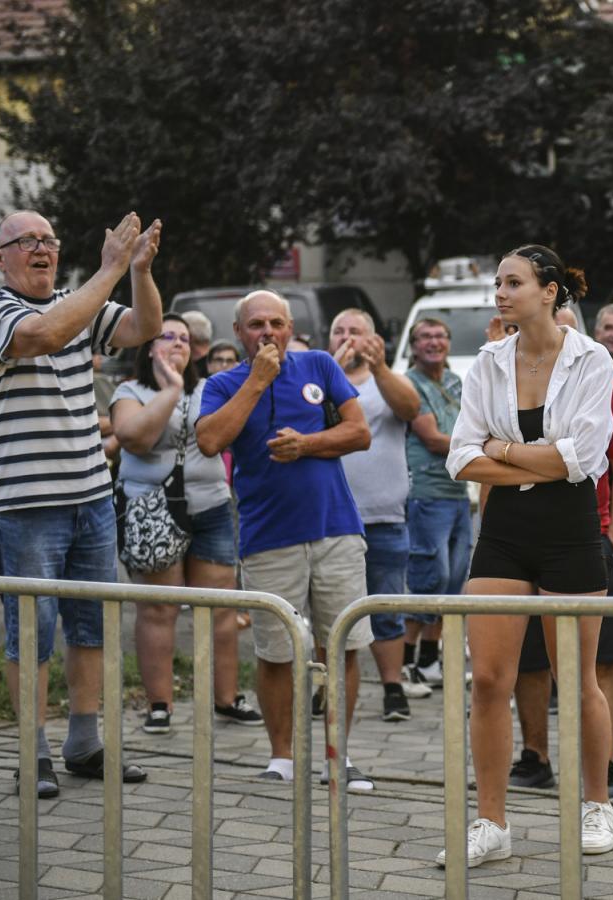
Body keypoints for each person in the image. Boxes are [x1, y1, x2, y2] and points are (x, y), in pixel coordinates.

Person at [0, 209, 163, 798]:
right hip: (24, 504)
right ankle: (33, 753)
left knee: (90, 627)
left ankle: (83, 743)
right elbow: (45, 335)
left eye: (49, 239)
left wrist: (138, 270)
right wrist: (106, 270)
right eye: (26, 240)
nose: (42, 248)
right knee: (32, 631)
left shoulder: (81, 304)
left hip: (89, 498)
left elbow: (145, 326)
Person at [440, 244, 613, 866]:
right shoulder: (488, 360)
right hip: (505, 527)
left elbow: (586, 458)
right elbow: (460, 456)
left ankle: (596, 803)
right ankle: (491, 821)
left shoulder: (592, 359)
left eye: (512, 282)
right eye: (497, 283)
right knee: (489, 679)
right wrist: (540, 456)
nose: (500, 293)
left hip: (571, 528)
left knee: (578, 678)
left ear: (549, 291)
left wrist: (506, 452)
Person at [198, 290, 375, 790]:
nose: (267, 332)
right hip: (268, 537)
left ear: (291, 327)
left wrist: (309, 444)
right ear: (239, 333)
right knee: (276, 652)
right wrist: (256, 381)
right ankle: (282, 758)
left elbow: (359, 433)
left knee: (342, 645)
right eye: (256, 325)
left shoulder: (318, 364)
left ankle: (337, 756)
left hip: (335, 529)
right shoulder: (223, 383)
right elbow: (210, 441)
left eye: (276, 323)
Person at [113, 313, 260, 735]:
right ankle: (160, 704)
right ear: (146, 347)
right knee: (159, 609)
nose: (177, 344)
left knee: (220, 608)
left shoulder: (210, 389)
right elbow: (134, 438)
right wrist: (172, 389)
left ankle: (226, 698)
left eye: (183, 338)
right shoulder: (131, 391)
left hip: (211, 507)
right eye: (166, 337)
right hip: (152, 511)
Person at [510, 378, 613, 797]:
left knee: (602, 657)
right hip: (519, 537)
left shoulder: (603, 384)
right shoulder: (508, 382)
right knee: (528, 656)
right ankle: (535, 756)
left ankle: (603, 763)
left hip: (587, 533)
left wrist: (612, 536)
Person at [332, 308, 423, 722]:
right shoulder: (320, 376)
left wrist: (380, 365)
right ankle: (326, 686)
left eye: (356, 331)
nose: (348, 338)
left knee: (385, 605)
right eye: (340, 331)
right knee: (330, 610)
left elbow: (409, 408)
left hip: (385, 516)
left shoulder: (387, 380)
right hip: (331, 517)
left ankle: (392, 687)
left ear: (373, 338)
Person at [401, 317, 471, 692]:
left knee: (453, 581)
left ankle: (429, 663)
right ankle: (403, 663)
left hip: (459, 492)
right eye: (424, 337)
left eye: (440, 336)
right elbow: (431, 438)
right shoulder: (408, 384)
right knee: (429, 579)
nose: (433, 342)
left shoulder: (456, 381)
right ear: (413, 347)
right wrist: (482, 448)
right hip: (427, 493)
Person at [179, 309, 214, 378]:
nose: (177, 340)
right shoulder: (220, 364)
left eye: (181, 334)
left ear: (190, 337)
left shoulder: (191, 372)